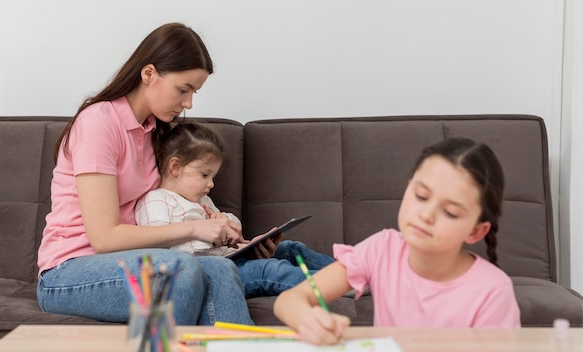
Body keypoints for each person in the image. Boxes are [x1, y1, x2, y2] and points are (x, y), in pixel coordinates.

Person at [37, 23, 263, 325]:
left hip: (136, 260)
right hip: (70, 271)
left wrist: (235, 239)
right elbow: (103, 238)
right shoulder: (99, 123)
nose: (189, 103)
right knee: (181, 269)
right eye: (183, 90)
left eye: (194, 92)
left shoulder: (155, 133)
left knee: (222, 269)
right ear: (149, 74)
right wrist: (194, 230)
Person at [273, 137, 521, 344]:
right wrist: (308, 320)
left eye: (450, 213)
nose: (426, 215)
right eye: (421, 196)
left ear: (476, 232)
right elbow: (289, 300)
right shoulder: (382, 249)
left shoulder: (493, 291)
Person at [134, 121, 335, 298]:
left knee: (291, 248)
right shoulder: (155, 201)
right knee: (270, 269)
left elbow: (233, 227)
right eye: (205, 175)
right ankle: (335, 286)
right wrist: (208, 235)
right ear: (175, 167)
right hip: (211, 273)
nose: (211, 184)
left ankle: (351, 272)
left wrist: (232, 231)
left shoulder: (201, 200)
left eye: (213, 177)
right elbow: (158, 248)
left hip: (230, 257)